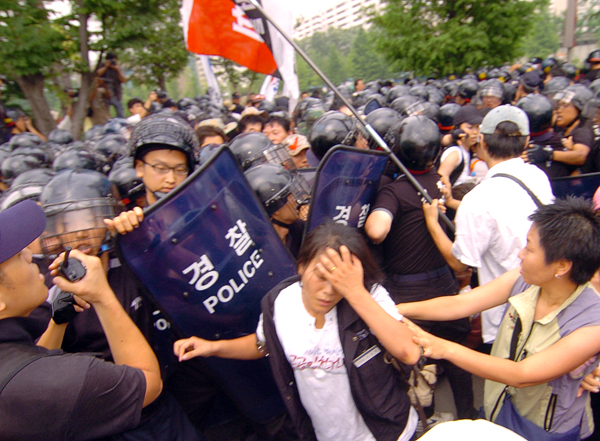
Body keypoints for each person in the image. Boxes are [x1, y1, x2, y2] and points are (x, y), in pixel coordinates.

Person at [174, 222, 422, 441]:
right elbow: (265, 344)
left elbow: (409, 352)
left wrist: (355, 291)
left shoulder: (370, 296)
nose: (328, 291)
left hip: (387, 433)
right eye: (321, 276)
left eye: (339, 281)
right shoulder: (281, 302)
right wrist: (213, 347)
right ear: (301, 265)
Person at [399, 197, 600, 440]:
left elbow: (521, 375)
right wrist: (398, 309)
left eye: (529, 248)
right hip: (498, 406)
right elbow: (461, 304)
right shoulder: (523, 280)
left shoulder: (592, 323)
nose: (521, 254)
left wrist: (443, 348)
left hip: (542, 429)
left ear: (562, 266)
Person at [0, 199, 162, 440]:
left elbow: (26, 362)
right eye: (16, 256)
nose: (28, 254)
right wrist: (102, 296)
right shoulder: (62, 383)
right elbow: (148, 383)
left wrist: (58, 323)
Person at [365, 115, 476, 422]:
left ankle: (425, 422)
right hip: (445, 287)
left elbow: (376, 230)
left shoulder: (394, 191)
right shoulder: (440, 185)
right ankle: (469, 415)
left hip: (409, 294)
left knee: (415, 363)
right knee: (456, 355)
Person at [423, 105, 554, 346]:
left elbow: (460, 262)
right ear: (526, 142)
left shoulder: (478, 198)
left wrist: (432, 223)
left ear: (481, 140)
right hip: (547, 302)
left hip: (507, 318)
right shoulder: (538, 176)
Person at [438, 105, 483, 186]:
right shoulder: (455, 154)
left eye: (477, 127)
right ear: (458, 129)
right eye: (470, 128)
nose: (475, 132)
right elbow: (440, 182)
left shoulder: (470, 149)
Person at [96, 52, 127, 118]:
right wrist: (105, 67)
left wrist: (118, 70)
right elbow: (97, 74)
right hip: (105, 95)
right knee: (105, 115)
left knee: (120, 113)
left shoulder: (118, 68)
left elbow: (124, 80)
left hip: (116, 94)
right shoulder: (102, 66)